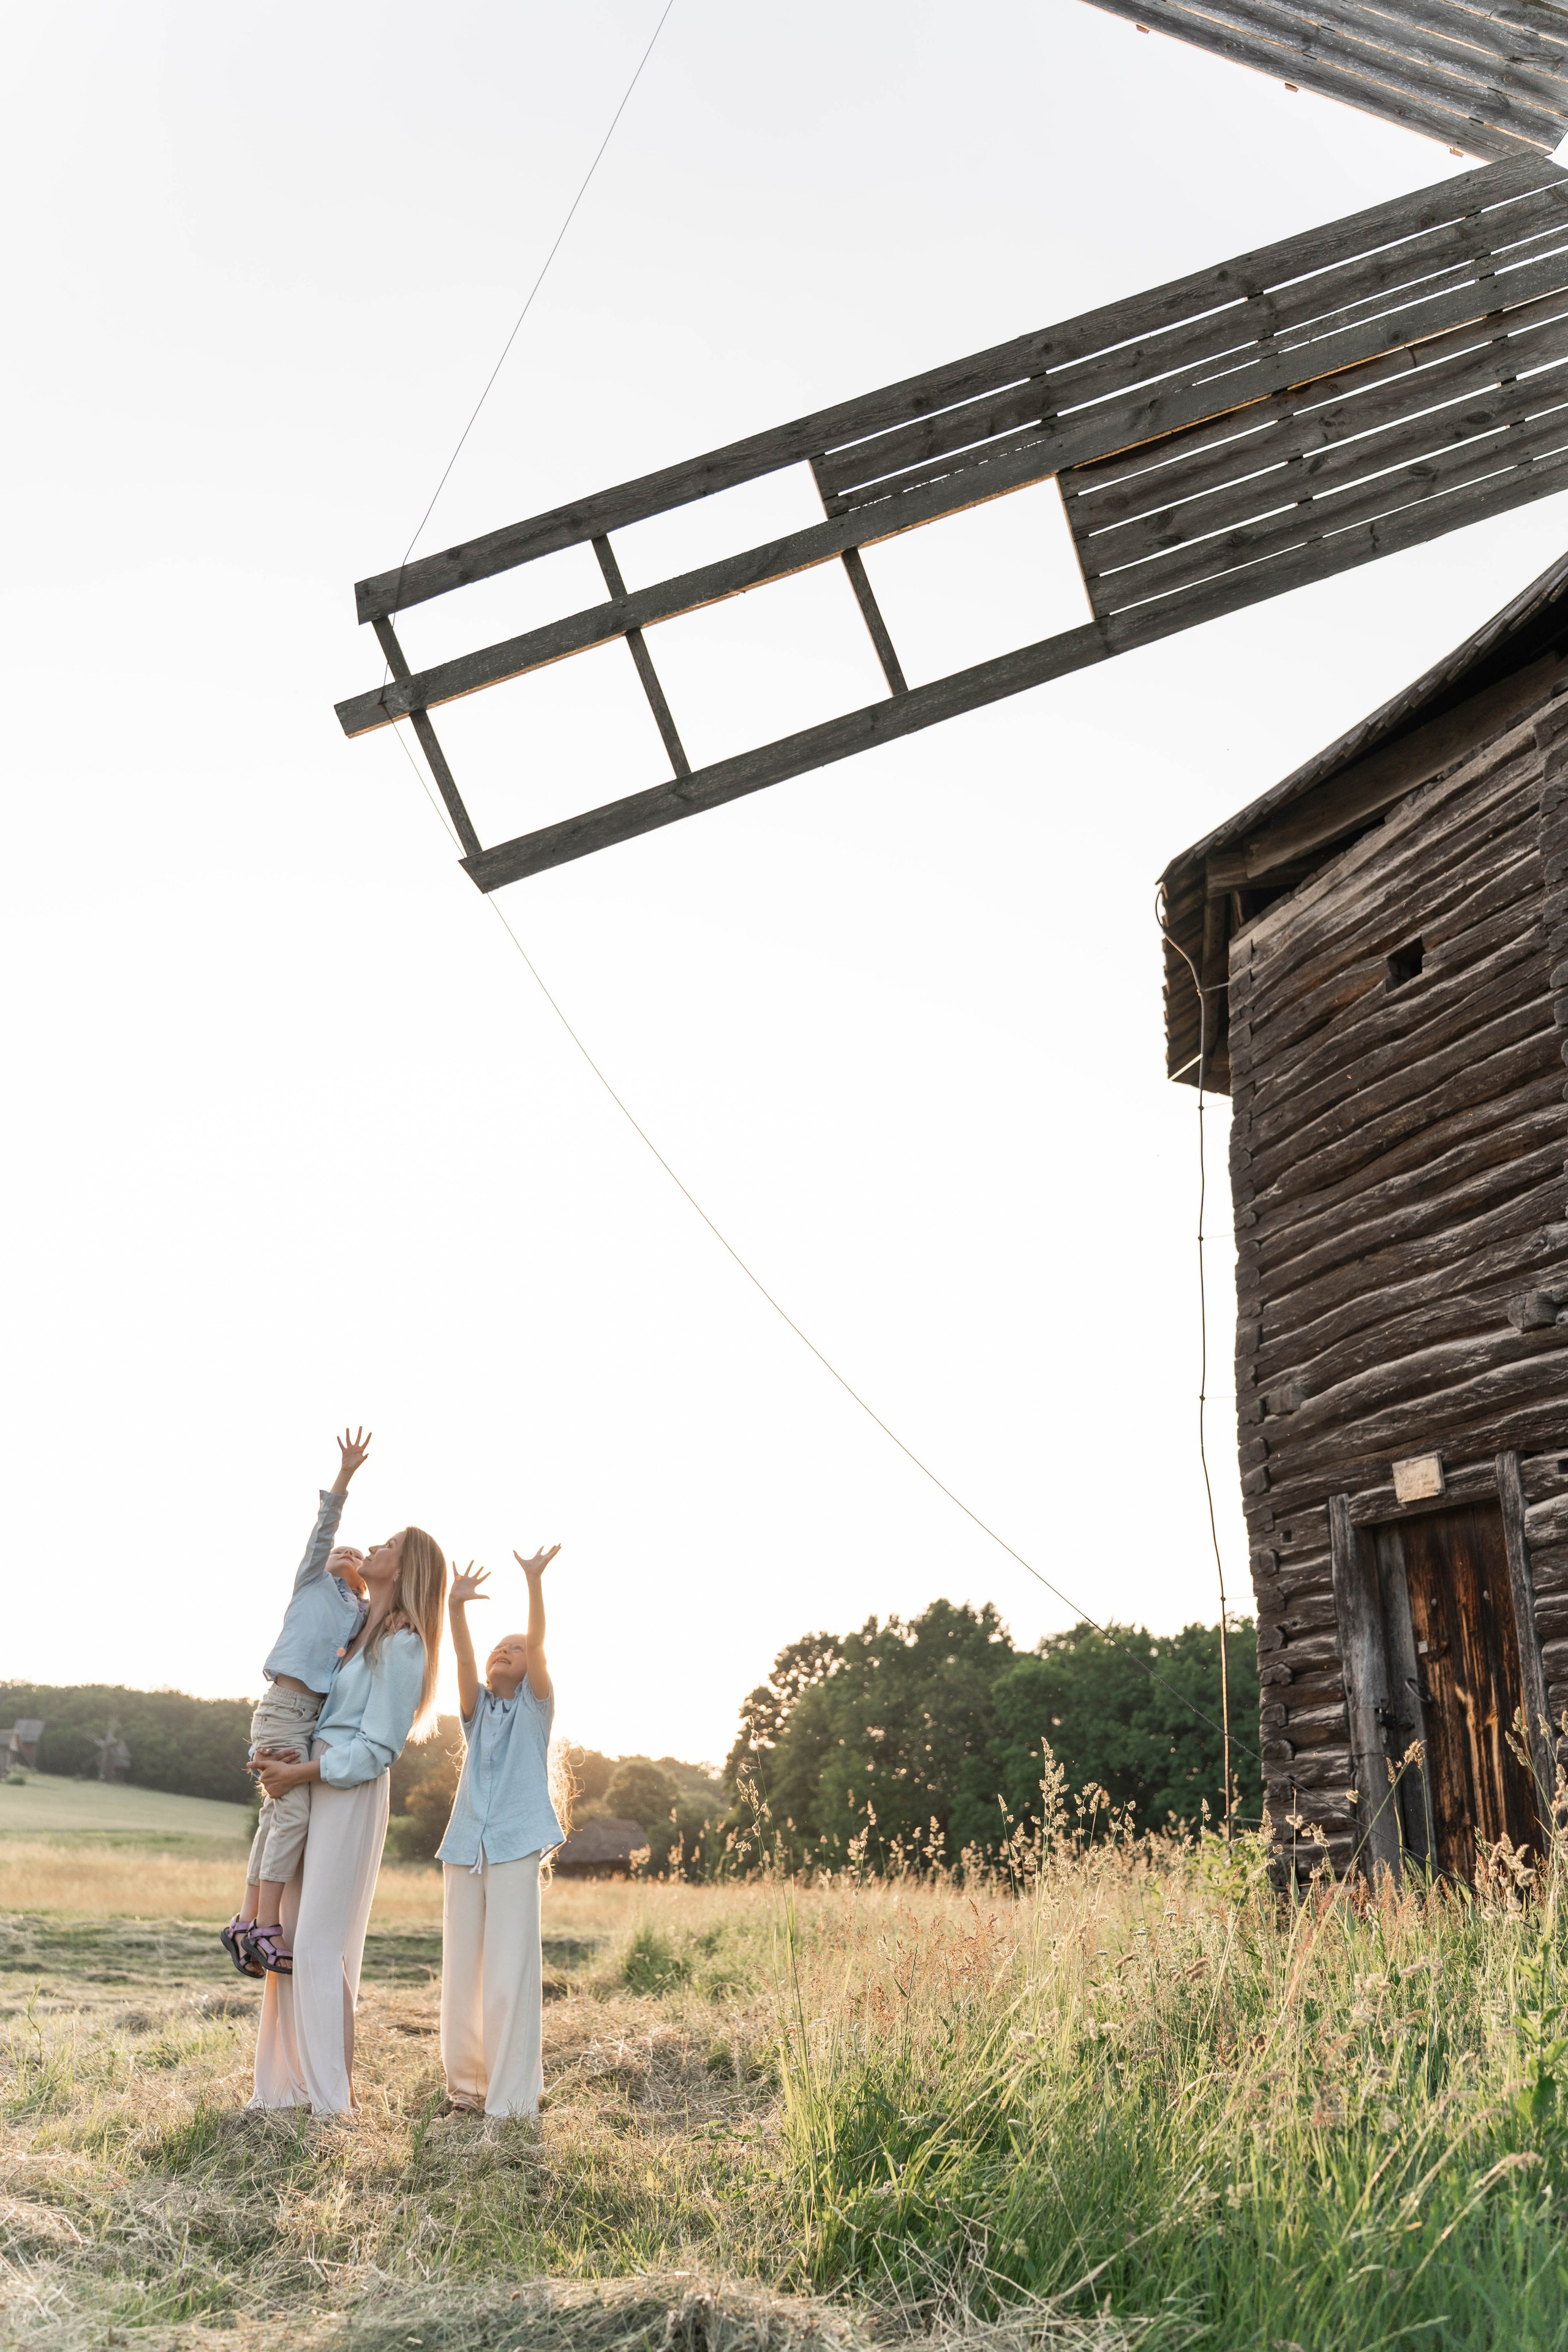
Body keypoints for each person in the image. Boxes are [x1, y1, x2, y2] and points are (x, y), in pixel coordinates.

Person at [247, 1517, 447, 2117]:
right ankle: (287, 2087)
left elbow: (381, 1748)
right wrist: (278, 1755)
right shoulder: (360, 1628)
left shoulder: (405, 1642)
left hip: (348, 1790)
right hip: (312, 1777)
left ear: (407, 1570)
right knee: (288, 1934)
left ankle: (336, 2102)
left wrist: (305, 1772)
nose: (377, 1546)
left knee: (317, 1944)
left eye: (391, 1546)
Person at [221, 1429, 372, 1978]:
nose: (348, 1553)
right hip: (285, 1707)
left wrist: (362, 1583)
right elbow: (323, 1530)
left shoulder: (358, 1611)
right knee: (294, 1815)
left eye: (357, 1556)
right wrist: (346, 1475)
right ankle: (264, 1925)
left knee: (277, 1816)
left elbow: (379, 1622)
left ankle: (245, 1921)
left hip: (310, 1720)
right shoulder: (310, 1582)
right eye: (342, 1551)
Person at [437, 1542, 564, 2118]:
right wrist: (456, 1608)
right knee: (462, 1972)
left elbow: (536, 1642)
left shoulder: (536, 1709)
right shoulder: (477, 1711)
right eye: (499, 1648)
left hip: (515, 1846)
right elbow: (462, 1663)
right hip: (465, 1847)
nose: (504, 1652)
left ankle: (512, 2102)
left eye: (513, 1649)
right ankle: (467, 2089)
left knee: (510, 1970)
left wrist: (533, 1581)